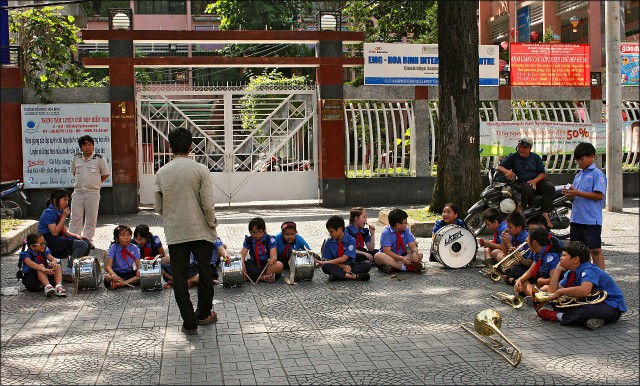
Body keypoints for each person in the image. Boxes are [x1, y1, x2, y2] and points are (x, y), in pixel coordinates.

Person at [154, 127, 219, 335]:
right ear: (191, 147)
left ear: (170, 147)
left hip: (176, 231)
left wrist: (172, 213)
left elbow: (158, 207)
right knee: (205, 270)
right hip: (200, 229)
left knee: (179, 277)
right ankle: (203, 313)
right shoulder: (200, 170)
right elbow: (207, 204)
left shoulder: (162, 173)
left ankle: (189, 322)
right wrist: (212, 223)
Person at [537, 241, 627, 330]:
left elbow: (584, 291)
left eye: (564, 255)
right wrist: (557, 270)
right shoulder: (570, 272)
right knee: (557, 303)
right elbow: (552, 291)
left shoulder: (589, 270)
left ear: (575, 259)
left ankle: (558, 316)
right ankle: (592, 320)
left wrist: (561, 291)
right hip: (593, 303)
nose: (560, 258)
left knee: (585, 311)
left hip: (610, 305)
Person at [562, 142, 607, 270]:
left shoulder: (597, 174)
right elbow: (574, 198)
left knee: (595, 250)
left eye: (582, 159)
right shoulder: (578, 175)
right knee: (578, 252)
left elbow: (599, 196)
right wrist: (570, 194)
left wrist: (576, 192)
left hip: (591, 220)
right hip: (576, 218)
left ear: (592, 157)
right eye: (578, 160)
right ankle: (582, 276)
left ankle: (600, 277)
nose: (580, 162)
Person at [497, 136, 555, 228]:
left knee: (550, 187)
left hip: (538, 180)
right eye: (520, 147)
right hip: (523, 182)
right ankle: (522, 206)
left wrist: (535, 181)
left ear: (530, 148)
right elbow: (500, 167)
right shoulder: (514, 157)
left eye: (524, 148)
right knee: (528, 187)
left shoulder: (535, 157)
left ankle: (545, 214)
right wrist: (507, 171)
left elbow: (542, 174)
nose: (521, 149)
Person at [37, 189, 91, 278]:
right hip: (50, 241)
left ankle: (78, 268)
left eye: (67, 200)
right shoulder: (49, 213)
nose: (67, 202)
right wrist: (64, 216)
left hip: (59, 238)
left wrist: (76, 236)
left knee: (87, 243)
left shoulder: (59, 211)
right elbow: (54, 232)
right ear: (55, 200)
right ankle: (69, 271)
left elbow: (64, 231)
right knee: (82, 245)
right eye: (64, 200)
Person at [69, 135, 110, 249]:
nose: (87, 147)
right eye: (85, 145)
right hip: (78, 192)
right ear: (81, 147)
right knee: (75, 218)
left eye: (90, 145)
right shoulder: (76, 158)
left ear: (93, 146)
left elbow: (105, 174)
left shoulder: (99, 159)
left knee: (91, 219)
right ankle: (74, 240)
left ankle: (88, 241)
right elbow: (74, 172)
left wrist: (96, 183)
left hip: (93, 193)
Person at [316, 215, 371, 281]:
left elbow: (344, 259)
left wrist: (324, 262)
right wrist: (342, 266)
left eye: (331, 232)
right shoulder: (329, 242)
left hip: (350, 265)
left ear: (340, 229)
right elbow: (327, 260)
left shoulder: (351, 240)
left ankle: (337, 275)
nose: (330, 234)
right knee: (325, 267)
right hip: (336, 265)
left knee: (367, 265)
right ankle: (353, 276)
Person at [513, 227, 562, 299]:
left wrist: (542, 281)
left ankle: (535, 297)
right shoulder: (538, 253)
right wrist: (520, 280)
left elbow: (553, 280)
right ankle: (535, 296)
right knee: (522, 281)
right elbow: (531, 270)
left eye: (528, 240)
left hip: (554, 284)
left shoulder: (551, 257)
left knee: (545, 288)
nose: (527, 241)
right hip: (542, 280)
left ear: (534, 242)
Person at [374, 209, 424, 274]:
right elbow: (387, 251)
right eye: (405, 223)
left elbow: (412, 245)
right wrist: (401, 258)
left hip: (403, 256)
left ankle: (394, 266)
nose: (406, 224)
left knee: (420, 254)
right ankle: (404, 267)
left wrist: (414, 252)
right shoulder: (386, 232)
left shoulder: (406, 230)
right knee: (378, 256)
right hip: (390, 257)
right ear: (398, 225)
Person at [241, 217, 283, 283]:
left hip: (266, 264)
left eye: (259, 232)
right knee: (239, 269)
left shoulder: (270, 239)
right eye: (253, 233)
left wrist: (272, 260)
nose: (256, 235)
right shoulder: (249, 240)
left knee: (279, 265)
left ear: (264, 229)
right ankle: (262, 277)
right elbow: (242, 254)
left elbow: (274, 256)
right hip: (253, 263)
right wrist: (242, 264)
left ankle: (249, 277)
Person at [495, 212, 531, 285]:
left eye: (510, 227)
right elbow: (505, 252)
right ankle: (505, 270)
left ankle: (506, 271)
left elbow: (516, 256)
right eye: (507, 227)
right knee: (498, 255)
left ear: (519, 228)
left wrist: (508, 243)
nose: (508, 229)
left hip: (523, 261)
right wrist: (504, 240)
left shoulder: (524, 237)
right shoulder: (514, 235)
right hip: (515, 259)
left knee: (510, 263)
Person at [104, 225, 141, 289]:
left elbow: (139, 266)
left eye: (128, 235)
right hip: (117, 273)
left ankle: (120, 284)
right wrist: (113, 274)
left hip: (130, 272)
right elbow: (108, 266)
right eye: (123, 235)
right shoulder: (113, 247)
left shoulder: (134, 247)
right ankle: (127, 283)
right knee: (108, 277)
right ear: (117, 238)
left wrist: (139, 270)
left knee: (143, 275)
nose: (126, 237)